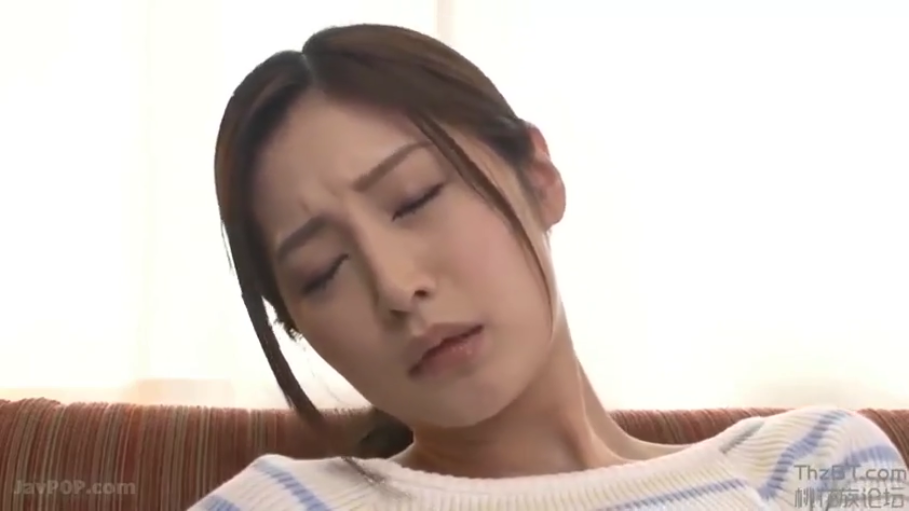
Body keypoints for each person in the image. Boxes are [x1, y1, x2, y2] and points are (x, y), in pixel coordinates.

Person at [191, 23, 907, 511]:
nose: (397, 287)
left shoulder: (813, 464)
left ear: (538, 177)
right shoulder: (278, 503)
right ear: (299, 327)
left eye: (414, 199)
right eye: (323, 271)